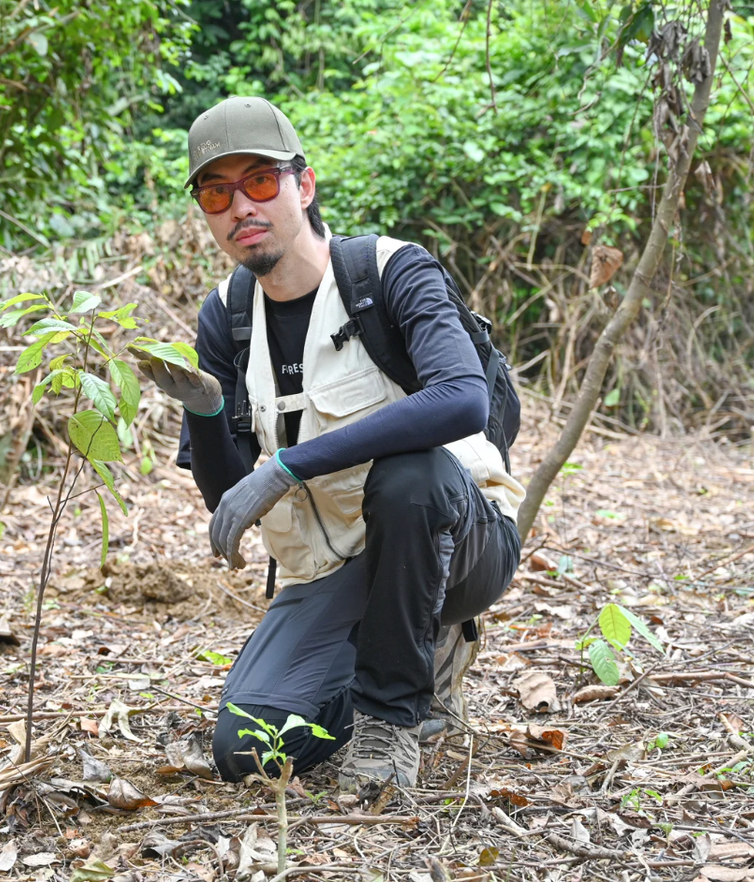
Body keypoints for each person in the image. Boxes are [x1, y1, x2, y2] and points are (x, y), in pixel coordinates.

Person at [135, 96, 523, 792]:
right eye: (217, 193)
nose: (240, 208)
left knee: (410, 475)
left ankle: (393, 717)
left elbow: (462, 397)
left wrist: (287, 462)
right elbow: (230, 495)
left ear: (303, 186)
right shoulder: (227, 317)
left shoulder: (390, 272)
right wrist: (207, 410)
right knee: (248, 748)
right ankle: (400, 660)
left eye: (259, 182)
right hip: (338, 570)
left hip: (461, 541)